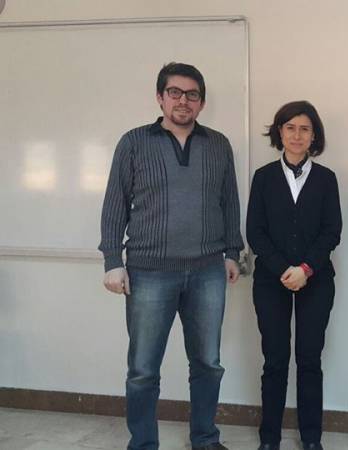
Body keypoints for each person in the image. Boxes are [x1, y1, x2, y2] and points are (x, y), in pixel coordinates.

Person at [99, 62, 243, 450]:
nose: (183, 100)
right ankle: (143, 444)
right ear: (160, 97)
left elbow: (229, 202)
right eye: (175, 92)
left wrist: (232, 252)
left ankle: (205, 440)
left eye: (192, 94)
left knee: (208, 363)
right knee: (143, 369)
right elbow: (115, 204)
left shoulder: (218, 144)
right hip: (149, 272)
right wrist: (113, 261)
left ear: (202, 103)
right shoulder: (134, 142)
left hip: (208, 271)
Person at [247, 100, 342, 450]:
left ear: (313, 135)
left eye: (304, 129)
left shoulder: (327, 179)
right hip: (270, 281)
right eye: (290, 128)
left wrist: (305, 269)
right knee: (274, 360)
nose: (297, 135)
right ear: (280, 132)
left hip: (316, 280)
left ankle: (311, 438)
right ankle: (269, 439)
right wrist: (283, 269)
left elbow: (332, 231)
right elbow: (255, 232)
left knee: (309, 359)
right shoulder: (263, 177)